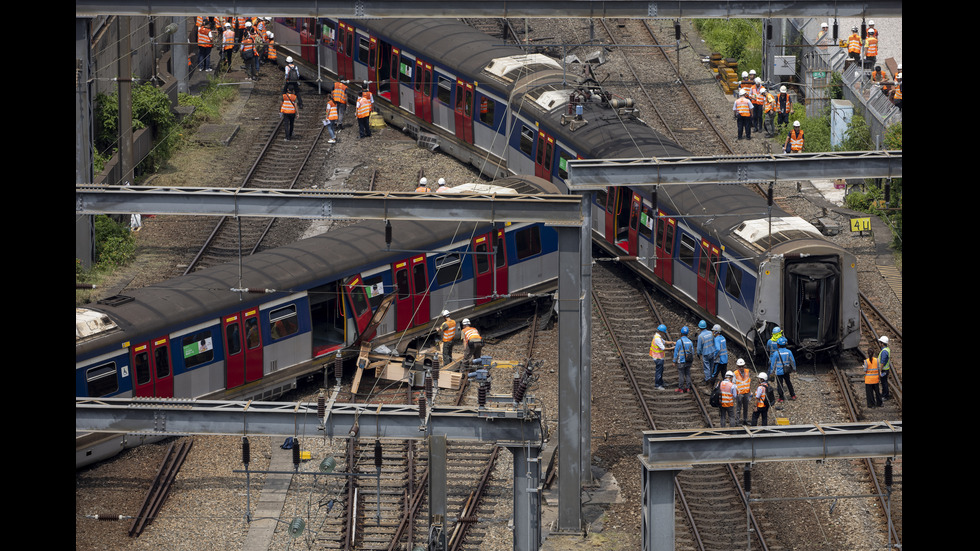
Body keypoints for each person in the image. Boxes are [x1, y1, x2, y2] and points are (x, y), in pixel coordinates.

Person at [768, 337, 797, 402]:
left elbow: (773, 363)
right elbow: (792, 361)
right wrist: (794, 368)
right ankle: (793, 395)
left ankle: (781, 398)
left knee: (780, 385)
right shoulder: (789, 352)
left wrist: (772, 371)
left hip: (779, 372)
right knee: (788, 383)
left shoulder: (776, 353)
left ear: (778, 345)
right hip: (786, 371)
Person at [673, 326, 694, 393]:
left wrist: (674, 361)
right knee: (687, 374)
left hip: (681, 361)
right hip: (688, 361)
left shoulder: (679, 341)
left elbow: (676, 352)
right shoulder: (690, 342)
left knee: (681, 375)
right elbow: (692, 352)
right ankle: (688, 388)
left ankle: (681, 388)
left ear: (681, 333)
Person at [649, 324, 671, 390]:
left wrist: (673, 342)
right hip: (657, 357)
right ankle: (657, 385)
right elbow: (663, 348)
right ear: (661, 332)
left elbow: (664, 342)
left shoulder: (658, 337)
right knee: (659, 371)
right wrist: (672, 348)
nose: (664, 334)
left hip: (658, 357)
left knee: (661, 370)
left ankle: (661, 382)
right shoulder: (657, 339)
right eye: (664, 332)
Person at [732, 358, 752, 425]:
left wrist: (750, 391)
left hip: (746, 392)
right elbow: (734, 384)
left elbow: (748, 381)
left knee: (746, 407)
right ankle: (737, 422)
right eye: (740, 366)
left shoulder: (747, 371)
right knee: (738, 408)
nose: (741, 368)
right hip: (739, 394)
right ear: (738, 366)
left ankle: (745, 420)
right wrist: (736, 393)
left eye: (742, 366)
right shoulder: (735, 373)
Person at [878, 335, 893, 400]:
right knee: (884, 382)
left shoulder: (884, 351)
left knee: (884, 382)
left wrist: (880, 370)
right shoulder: (886, 349)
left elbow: (882, 362)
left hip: (884, 370)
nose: (879, 343)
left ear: (882, 343)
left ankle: (885, 395)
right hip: (885, 369)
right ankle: (885, 394)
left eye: (880, 342)